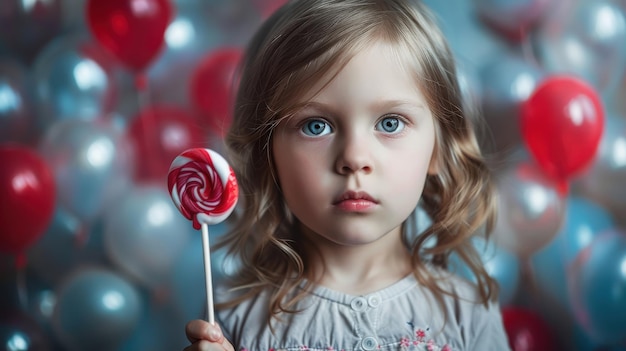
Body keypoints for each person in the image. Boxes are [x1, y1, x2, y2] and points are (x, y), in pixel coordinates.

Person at [184, 0, 511, 350]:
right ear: (269, 152)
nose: (354, 158)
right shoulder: (233, 315)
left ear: (438, 148)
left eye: (390, 123)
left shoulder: (467, 313)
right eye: (315, 125)